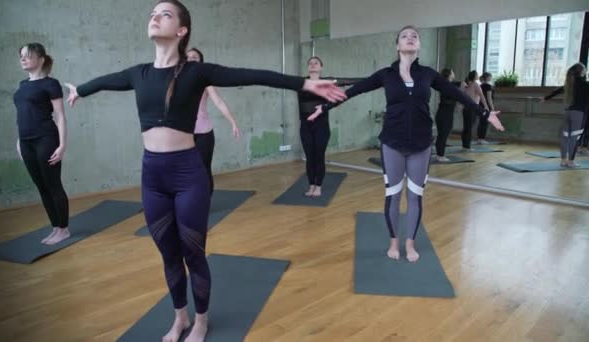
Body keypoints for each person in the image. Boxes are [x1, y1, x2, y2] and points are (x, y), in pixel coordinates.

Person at [64, 1, 346, 341]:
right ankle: (179, 317)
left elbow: (252, 75)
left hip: (187, 174)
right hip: (152, 176)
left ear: (182, 31)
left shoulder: (196, 72)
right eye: (152, 13)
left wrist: (303, 83)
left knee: (192, 252)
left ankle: (201, 320)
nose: (155, 17)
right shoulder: (137, 73)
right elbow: (104, 82)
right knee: (168, 254)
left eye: (165, 14)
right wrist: (79, 90)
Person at [308, 26, 503, 263]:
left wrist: (485, 114)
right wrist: (325, 106)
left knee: (415, 196)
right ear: (397, 46)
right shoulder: (385, 74)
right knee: (393, 194)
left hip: (421, 143)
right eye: (404, 36)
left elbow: (457, 94)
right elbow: (353, 91)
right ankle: (393, 242)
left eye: (415, 36)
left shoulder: (428, 74)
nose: (410, 38)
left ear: (418, 46)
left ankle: (409, 243)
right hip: (392, 142)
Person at [14, 43, 70, 245]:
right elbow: (21, 116)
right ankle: (55, 227)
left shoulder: (50, 84)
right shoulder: (22, 85)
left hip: (46, 139)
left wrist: (62, 145)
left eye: (27, 55)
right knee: (41, 187)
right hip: (26, 142)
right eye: (21, 56)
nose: (23, 59)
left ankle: (64, 229)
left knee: (53, 184)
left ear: (41, 59)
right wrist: (19, 141)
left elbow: (60, 117)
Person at [298, 56, 361, 197]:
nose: (313, 65)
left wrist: (373, 81)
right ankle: (311, 185)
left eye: (316, 63)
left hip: (321, 126)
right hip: (305, 126)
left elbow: (348, 81)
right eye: (310, 63)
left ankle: (318, 186)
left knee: (319, 156)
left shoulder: (327, 82)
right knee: (310, 157)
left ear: (321, 67)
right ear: (308, 67)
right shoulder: (301, 83)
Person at [186, 47, 240, 195]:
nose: (191, 59)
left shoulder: (205, 81)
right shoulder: (176, 80)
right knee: (184, 170)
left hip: (203, 133)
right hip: (183, 134)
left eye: (194, 57)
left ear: (200, 62)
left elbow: (219, 102)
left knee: (203, 168)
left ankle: (205, 201)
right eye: (188, 57)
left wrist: (233, 122)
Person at [542, 63, 589, 167]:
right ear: (581, 72)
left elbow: (557, 91)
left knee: (565, 137)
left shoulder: (570, 84)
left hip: (568, 112)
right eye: (585, 69)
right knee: (574, 138)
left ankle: (563, 160)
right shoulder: (586, 85)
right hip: (579, 114)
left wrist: (546, 98)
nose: (586, 71)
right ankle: (571, 161)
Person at [434, 68, 460, 162]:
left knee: (443, 134)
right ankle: (440, 155)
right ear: (449, 75)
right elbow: (461, 84)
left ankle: (439, 154)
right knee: (443, 135)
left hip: (445, 113)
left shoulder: (448, 85)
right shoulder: (447, 85)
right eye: (452, 72)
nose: (454, 73)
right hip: (444, 114)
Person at [460, 70, 489, 151]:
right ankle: (467, 146)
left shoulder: (466, 84)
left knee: (466, 127)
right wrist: (486, 106)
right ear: (474, 76)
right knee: (469, 127)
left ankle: (465, 145)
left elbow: (461, 96)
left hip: (465, 108)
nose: (478, 75)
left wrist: (461, 106)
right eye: (477, 74)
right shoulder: (475, 84)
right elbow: (482, 96)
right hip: (472, 108)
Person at [478, 72, 495, 144]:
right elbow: (489, 98)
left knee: (481, 122)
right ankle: (482, 139)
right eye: (490, 77)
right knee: (485, 122)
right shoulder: (488, 86)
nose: (491, 78)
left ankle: (480, 138)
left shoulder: (480, 85)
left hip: (480, 105)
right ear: (487, 77)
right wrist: (492, 106)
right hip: (486, 106)